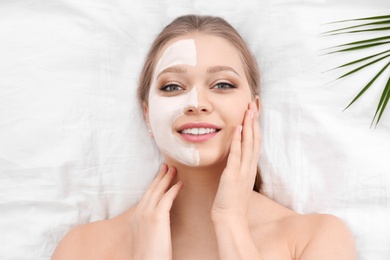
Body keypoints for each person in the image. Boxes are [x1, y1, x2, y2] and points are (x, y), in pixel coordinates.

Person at [52, 15, 357, 259]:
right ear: (147, 114)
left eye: (223, 84)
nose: (196, 102)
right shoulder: (84, 249)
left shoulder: (316, 238)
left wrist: (231, 223)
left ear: (254, 109)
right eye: (172, 87)